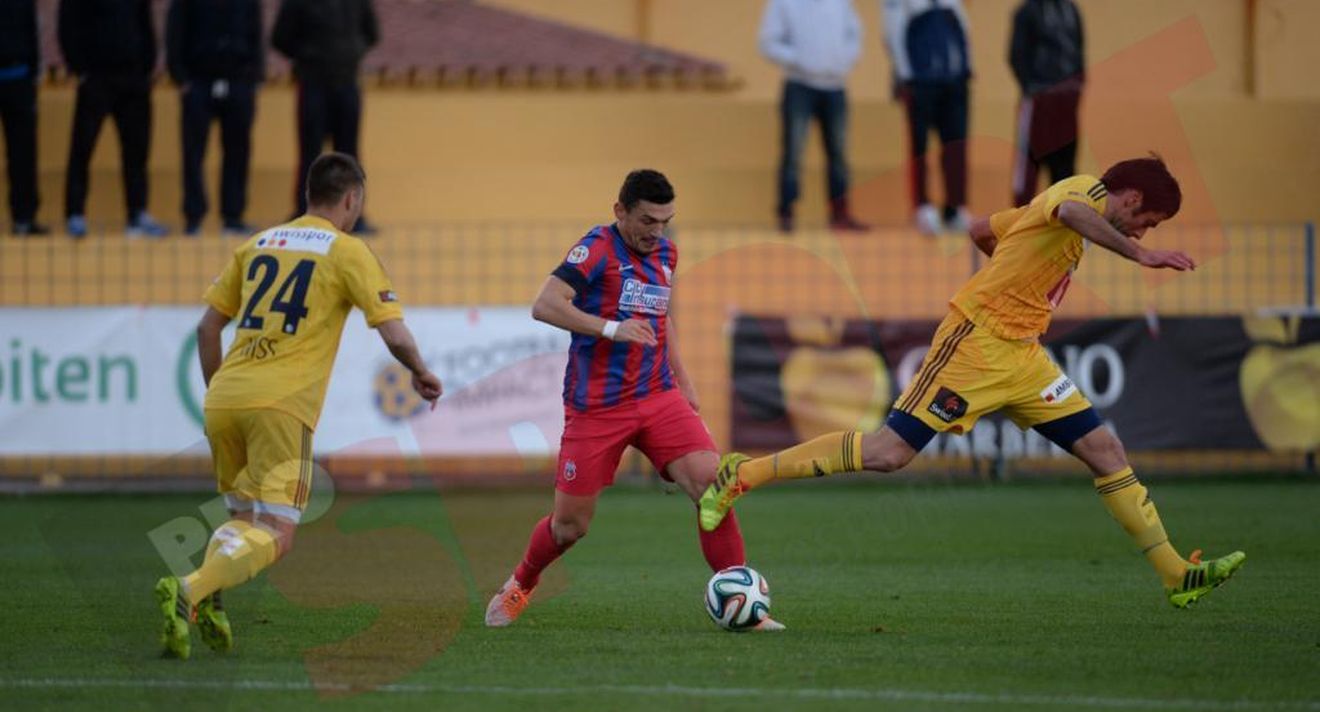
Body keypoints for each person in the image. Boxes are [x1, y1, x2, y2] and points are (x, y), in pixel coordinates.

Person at [699, 155, 1245, 610]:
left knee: (1104, 448)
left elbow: (982, 228)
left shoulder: (1046, 213)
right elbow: (1076, 211)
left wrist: (1012, 264)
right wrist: (1140, 254)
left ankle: (1175, 574)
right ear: (1127, 199)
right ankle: (741, 473)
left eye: (1149, 232)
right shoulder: (1081, 193)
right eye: (1147, 220)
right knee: (889, 453)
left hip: (1025, 357)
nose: (1144, 231)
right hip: (975, 344)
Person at [153, 153, 442, 659]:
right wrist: (420, 370)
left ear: (308, 194)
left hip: (224, 396)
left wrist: (222, 393)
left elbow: (206, 328)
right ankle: (193, 589)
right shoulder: (348, 251)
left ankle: (208, 603)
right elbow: (392, 331)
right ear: (351, 199)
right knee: (278, 534)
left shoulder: (257, 243)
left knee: (242, 517)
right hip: (281, 405)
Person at [485, 170, 783, 630]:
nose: (656, 231)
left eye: (665, 221)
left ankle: (740, 603)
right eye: (647, 220)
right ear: (620, 211)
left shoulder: (666, 251)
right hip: (596, 407)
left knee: (715, 487)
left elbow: (659, 320)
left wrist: (683, 380)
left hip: (657, 395)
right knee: (570, 527)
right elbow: (544, 304)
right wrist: (610, 328)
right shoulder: (596, 249)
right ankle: (522, 582)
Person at [58, 0, 168, 238]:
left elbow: (144, 23)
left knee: (137, 150)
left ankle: (137, 213)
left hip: (134, 77)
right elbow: (67, 24)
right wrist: (80, 69)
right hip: (96, 77)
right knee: (82, 148)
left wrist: (146, 68)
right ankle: (75, 213)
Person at [759, 0, 868, 233]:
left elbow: (855, 34)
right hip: (799, 85)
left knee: (838, 153)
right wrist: (800, 59)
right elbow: (768, 42)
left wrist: (843, 60)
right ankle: (786, 212)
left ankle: (840, 213)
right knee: (793, 152)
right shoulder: (783, 4)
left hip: (835, 86)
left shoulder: (841, 3)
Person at [272, 0, 379, 235]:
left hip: (347, 82)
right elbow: (280, 38)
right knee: (309, 153)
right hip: (312, 83)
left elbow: (372, 33)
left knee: (349, 153)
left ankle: (354, 217)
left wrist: (351, 51)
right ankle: (303, 214)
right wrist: (309, 54)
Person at [166, 0, 264, 236]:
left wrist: (254, 78)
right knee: (193, 153)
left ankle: (233, 217)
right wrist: (180, 78)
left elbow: (256, 35)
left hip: (239, 82)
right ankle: (194, 217)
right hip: (198, 82)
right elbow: (175, 34)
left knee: (238, 151)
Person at [882, 0, 973, 235]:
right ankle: (922, 206)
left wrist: (966, 68)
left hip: (953, 81)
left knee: (956, 146)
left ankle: (956, 206)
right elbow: (893, 33)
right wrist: (905, 76)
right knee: (920, 147)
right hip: (920, 82)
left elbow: (963, 26)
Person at [1009, 0, 1085, 207]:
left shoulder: (1070, 10)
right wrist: (1033, 89)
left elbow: (1078, 51)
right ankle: (1021, 221)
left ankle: (1063, 221)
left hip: (1067, 102)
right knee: (1029, 166)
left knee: (1065, 165)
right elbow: (1017, 56)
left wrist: (1076, 87)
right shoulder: (1027, 11)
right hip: (1038, 101)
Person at [0, 0, 46, 236]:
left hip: (19, 78)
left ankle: (24, 218)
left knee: (23, 153)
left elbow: (31, 31)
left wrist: (34, 71)